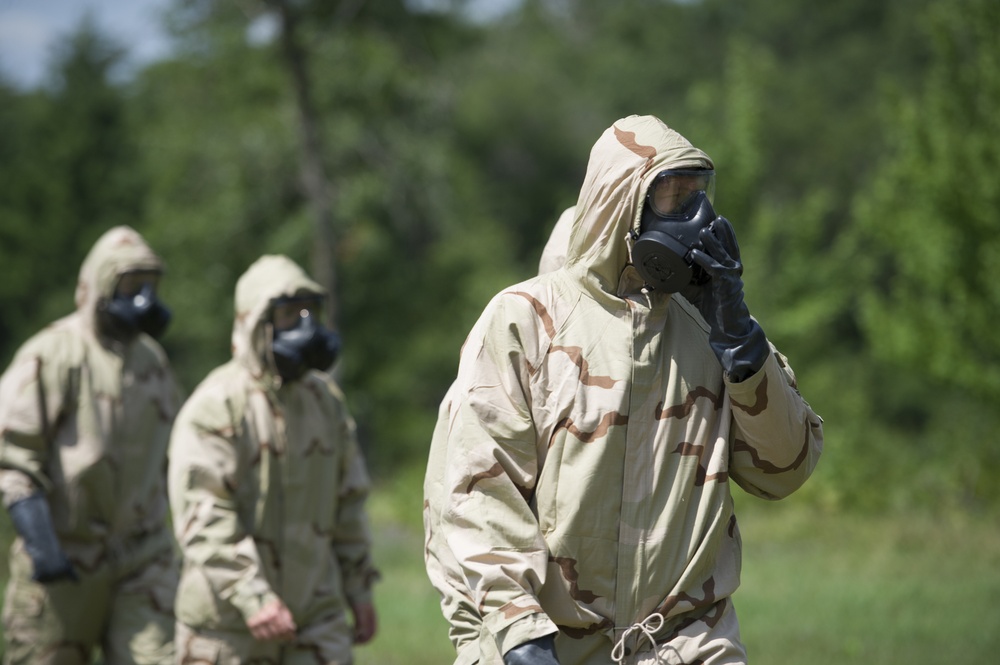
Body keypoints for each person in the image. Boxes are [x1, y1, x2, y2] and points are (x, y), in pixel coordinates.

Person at [423, 114, 824, 665]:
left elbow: (785, 470)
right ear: (622, 205)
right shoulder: (525, 321)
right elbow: (478, 492)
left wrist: (743, 346)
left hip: (686, 642)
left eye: (699, 196)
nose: (697, 216)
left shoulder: (710, 328)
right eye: (673, 198)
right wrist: (517, 632)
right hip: (554, 645)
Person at [168, 254, 379, 665]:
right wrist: (252, 597)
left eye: (309, 312)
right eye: (286, 314)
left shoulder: (325, 402)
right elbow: (203, 513)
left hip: (315, 617)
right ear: (254, 323)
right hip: (227, 624)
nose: (304, 326)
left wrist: (359, 589)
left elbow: (349, 501)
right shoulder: (216, 405)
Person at [0, 226, 181, 665]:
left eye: (149, 286)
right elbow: (10, 454)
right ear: (100, 284)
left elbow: (175, 453)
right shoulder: (53, 353)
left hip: (141, 559)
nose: (143, 298)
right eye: (129, 285)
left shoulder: (151, 361)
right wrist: (40, 538)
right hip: (64, 558)